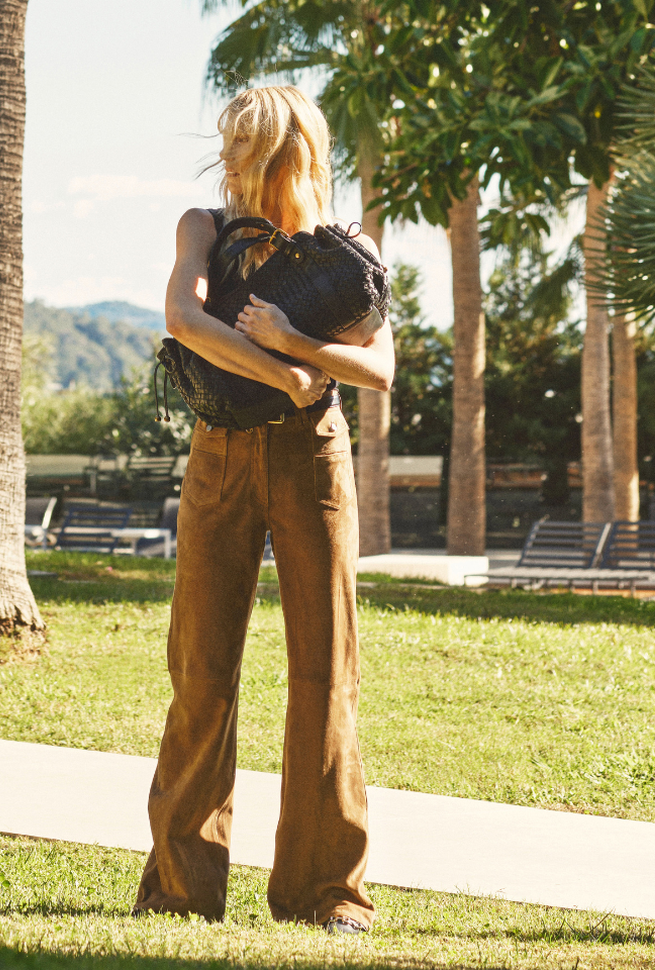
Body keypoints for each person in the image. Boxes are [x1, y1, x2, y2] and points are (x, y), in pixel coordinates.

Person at [133, 85, 394, 935]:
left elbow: (380, 368)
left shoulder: (345, 252)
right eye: (227, 145)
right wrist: (276, 366)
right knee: (201, 670)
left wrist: (296, 344)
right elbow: (181, 317)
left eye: (246, 147)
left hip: (312, 456)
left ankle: (327, 893)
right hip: (219, 454)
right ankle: (181, 886)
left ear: (291, 154)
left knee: (326, 672)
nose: (230, 162)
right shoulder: (202, 228)